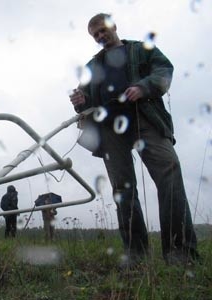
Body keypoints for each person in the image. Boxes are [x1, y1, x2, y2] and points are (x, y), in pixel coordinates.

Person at [69, 13, 199, 265]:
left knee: (169, 174)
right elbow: (83, 97)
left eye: (103, 30)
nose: (100, 36)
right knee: (122, 189)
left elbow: (164, 70)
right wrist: (80, 101)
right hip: (109, 128)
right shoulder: (91, 66)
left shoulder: (141, 50)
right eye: (95, 35)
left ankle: (180, 254)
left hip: (145, 119)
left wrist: (143, 86)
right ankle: (136, 256)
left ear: (113, 26)